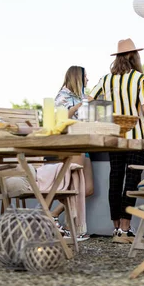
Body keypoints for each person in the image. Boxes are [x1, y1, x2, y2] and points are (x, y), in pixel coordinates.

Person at [90, 39, 144, 243]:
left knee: (115, 178)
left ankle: (116, 228)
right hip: (136, 137)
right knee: (132, 179)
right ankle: (126, 230)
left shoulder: (106, 79)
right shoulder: (140, 79)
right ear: (134, 56)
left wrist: (107, 113)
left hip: (114, 136)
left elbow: (89, 100)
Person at [53, 66, 94, 241]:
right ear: (78, 77)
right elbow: (62, 118)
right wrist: (82, 104)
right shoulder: (63, 96)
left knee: (88, 189)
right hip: (70, 143)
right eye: (86, 77)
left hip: (83, 143)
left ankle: (52, 215)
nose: (88, 80)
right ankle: (71, 228)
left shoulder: (81, 96)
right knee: (74, 187)